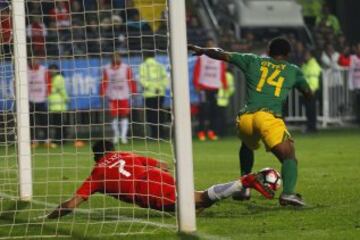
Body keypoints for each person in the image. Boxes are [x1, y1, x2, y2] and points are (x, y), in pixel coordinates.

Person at [189, 37, 313, 206]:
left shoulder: (252, 60)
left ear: (269, 51)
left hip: (246, 118)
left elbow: (221, 54)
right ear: (287, 54)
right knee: (289, 156)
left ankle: (243, 187)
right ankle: (288, 194)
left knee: (247, 145)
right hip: (268, 117)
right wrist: (307, 95)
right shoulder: (293, 70)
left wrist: (202, 49)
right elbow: (308, 92)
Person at [45, 140, 274, 219]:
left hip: (148, 192)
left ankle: (244, 182)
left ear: (96, 157)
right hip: (158, 177)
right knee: (195, 207)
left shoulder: (96, 174)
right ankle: (240, 184)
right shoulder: (126, 155)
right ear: (112, 149)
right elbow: (162, 165)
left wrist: (50, 216)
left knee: (199, 200)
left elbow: (71, 204)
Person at [193, 39, 227, 141]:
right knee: (203, 110)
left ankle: (211, 132)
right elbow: (197, 71)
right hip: (203, 87)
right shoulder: (202, 57)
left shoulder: (219, 58)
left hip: (215, 87)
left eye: (212, 45)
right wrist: (197, 84)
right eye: (209, 45)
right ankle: (201, 132)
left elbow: (222, 71)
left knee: (214, 111)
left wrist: (224, 84)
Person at [100, 52, 136, 144]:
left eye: (118, 57)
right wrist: (102, 92)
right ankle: (116, 135)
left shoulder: (126, 67)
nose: (116, 58)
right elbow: (104, 81)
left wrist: (133, 91)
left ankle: (123, 137)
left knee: (124, 115)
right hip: (112, 96)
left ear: (120, 58)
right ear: (111, 58)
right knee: (113, 116)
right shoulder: (106, 68)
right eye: (114, 57)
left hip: (124, 95)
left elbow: (131, 80)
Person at [139, 51, 169, 139]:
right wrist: (158, 88)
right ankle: (161, 134)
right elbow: (165, 79)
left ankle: (154, 135)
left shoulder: (143, 66)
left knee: (151, 115)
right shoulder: (160, 65)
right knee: (160, 114)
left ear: (145, 56)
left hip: (149, 94)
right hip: (160, 93)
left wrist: (151, 87)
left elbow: (142, 80)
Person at [28, 57, 51, 148]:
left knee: (44, 121)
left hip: (41, 100)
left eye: (35, 59)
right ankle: (34, 140)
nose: (34, 61)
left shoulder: (43, 70)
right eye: (32, 59)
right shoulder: (24, 70)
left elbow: (48, 82)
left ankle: (47, 140)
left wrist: (47, 93)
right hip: (30, 100)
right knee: (31, 122)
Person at [47, 64, 68, 148]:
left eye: (53, 69)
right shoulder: (52, 78)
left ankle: (60, 140)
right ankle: (59, 139)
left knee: (59, 124)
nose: (52, 71)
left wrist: (66, 98)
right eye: (50, 69)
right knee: (57, 124)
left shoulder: (58, 78)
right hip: (54, 105)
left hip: (59, 105)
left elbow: (61, 89)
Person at [301, 50, 322, 133]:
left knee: (311, 109)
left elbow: (314, 79)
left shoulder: (313, 65)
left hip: (311, 90)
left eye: (307, 54)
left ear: (311, 56)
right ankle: (311, 127)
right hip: (306, 90)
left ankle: (312, 127)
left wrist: (312, 89)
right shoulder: (305, 65)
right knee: (309, 109)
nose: (305, 55)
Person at [216, 70, 235, 136]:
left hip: (217, 99)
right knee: (222, 117)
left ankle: (219, 133)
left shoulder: (218, 73)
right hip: (224, 99)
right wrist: (226, 94)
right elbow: (232, 90)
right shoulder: (229, 75)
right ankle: (222, 133)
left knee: (218, 117)